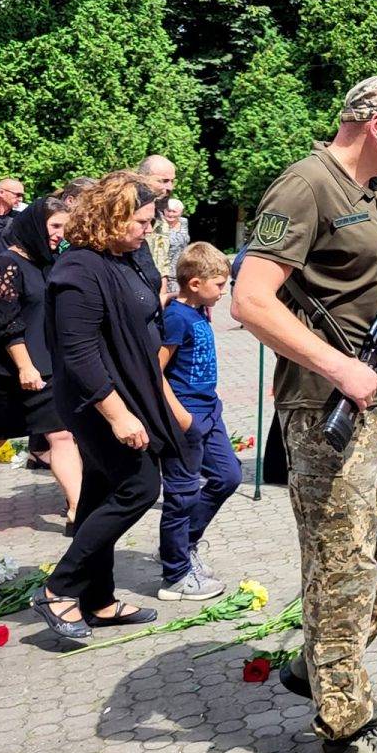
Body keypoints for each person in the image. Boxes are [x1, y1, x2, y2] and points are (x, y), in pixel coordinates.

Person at [232, 75, 377, 753]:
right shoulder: (306, 184)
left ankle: (322, 662)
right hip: (328, 402)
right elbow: (250, 300)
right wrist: (337, 367)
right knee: (341, 562)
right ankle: (345, 725)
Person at [31, 173, 188, 641]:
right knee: (139, 486)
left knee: (100, 492)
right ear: (111, 217)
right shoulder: (78, 269)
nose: (147, 229)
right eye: (139, 221)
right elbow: (79, 353)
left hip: (129, 389)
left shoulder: (127, 256)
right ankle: (59, 589)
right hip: (95, 399)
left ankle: (98, 600)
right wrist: (119, 416)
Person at [0, 197, 81, 539]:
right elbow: (5, 321)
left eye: (64, 226)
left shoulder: (50, 262)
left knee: (61, 434)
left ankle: (77, 506)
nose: (61, 233)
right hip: (8, 370)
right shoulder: (6, 263)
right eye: (55, 226)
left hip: (48, 366)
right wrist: (25, 366)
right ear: (34, 225)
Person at [157, 242, 241, 601]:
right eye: (220, 285)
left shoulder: (200, 310)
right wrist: (181, 416)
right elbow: (154, 369)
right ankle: (175, 575)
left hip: (210, 410)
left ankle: (186, 544)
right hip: (186, 417)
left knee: (228, 476)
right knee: (182, 494)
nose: (224, 292)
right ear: (194, 284)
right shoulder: (176, 316)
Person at [137, 155, 178, 298]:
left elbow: (162, 264)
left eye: (172, 181)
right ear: (142, 179)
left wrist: (162, 298)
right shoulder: (124, 217)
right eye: (164, 181)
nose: (170, 188)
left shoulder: (161, 221)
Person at [162, 199, 191, 296]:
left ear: (181, 212)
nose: (170, 214)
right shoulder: (159, 224)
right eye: (168, 210)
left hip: (182, 268)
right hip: (165, 272)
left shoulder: (184, 222)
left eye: (174, 211)